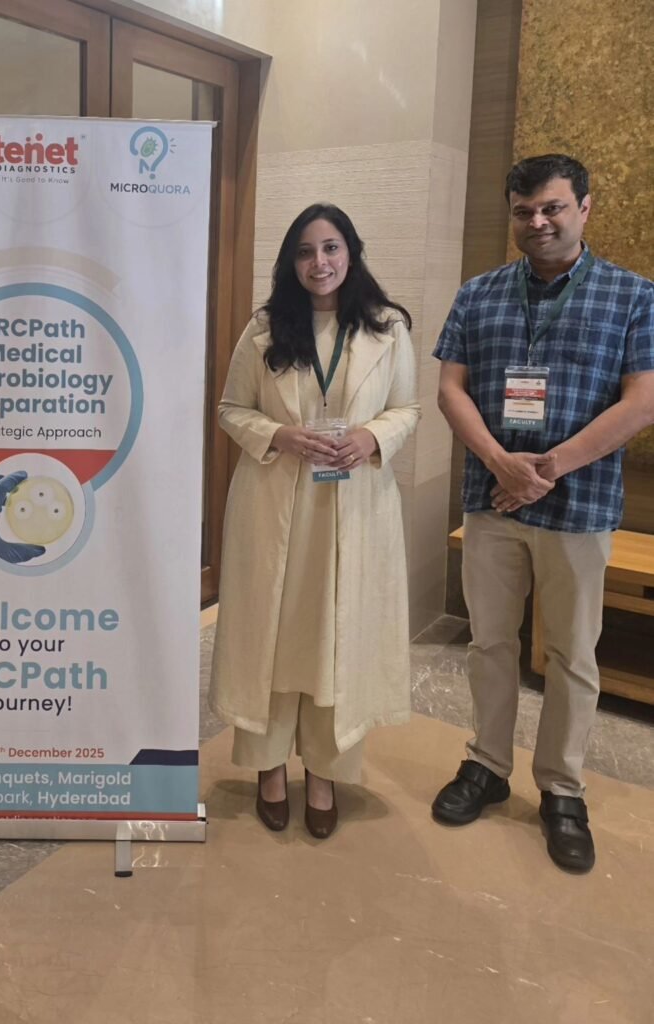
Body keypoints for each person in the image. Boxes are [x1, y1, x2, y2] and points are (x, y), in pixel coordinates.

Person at [431, 154, 654, 873]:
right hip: (492, 501)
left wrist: (547, 468)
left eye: (553, 207)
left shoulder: (634, 296)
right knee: (490, 643)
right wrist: (502, 463)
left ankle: (561, 789)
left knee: (572, 655)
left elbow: (642, 402)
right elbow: (451, 389)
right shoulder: (478, 294)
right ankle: (487, 765)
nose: (538, 222)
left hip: (580, 507)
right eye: (524, 210)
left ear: (584, 207)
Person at [209, 204, 420, 839]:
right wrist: (280, 435)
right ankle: (269, 766)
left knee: (335, 636)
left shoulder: (387, 327)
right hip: (277, 505)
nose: (319, 262)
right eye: (305, 251)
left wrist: (371, 437)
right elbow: (230, 408)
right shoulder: (265, 328)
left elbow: (407, 407)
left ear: (351, 252)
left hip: (352, 505)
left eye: (330, 248)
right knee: (274, 638)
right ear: (291, 262)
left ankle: (325, 771)